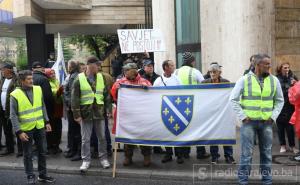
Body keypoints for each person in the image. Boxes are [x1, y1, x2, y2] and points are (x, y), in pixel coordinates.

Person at [230, 54, 284, 185]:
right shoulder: (244, 80)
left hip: (266, 123)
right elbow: (233, 99)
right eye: (266, 64)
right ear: (257, 65)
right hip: (249, 124)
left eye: (269, 64)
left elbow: (280, 100)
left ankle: (267, 180)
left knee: (266, 153)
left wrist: (273, 116)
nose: (269, 66)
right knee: (246, 154)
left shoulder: (274, 80)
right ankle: (243, 181)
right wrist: (242, 116)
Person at [10, 70, 55, 184]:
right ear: (22, 81)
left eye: (32, 78)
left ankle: (43, 175)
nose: (31, 81)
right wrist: (19, 131)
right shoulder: (15, 94)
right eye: (29, 79)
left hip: (39, 126)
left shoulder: (38, 89)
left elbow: (42, 106)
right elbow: (13, 115)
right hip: (25, 129)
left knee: (42, 151)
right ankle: (30, 175)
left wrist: (47, 122)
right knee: (28, 154)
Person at [71, 56, 111, 172]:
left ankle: (103, 158)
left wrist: (108, 110)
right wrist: (76, 115)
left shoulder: (101, 77)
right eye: (96, 66)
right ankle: (86, 161)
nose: (98, 68)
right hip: (85, 113)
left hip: (99, 112)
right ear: (90, 66)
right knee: (85, 139)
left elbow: (106, 95)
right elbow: (75, 98)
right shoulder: (79, 78)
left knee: (102, 137)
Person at [111, 63, 152, 167]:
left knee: (143, 136)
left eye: (127, 70)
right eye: (124, 70)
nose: (124, 72)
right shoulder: (120, 82)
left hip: (141, 116)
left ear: (134, 70)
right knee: (128, 137)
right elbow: (113, 96)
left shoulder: (144, 82)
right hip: (127, 116)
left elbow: (153, 96)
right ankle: (128, 157)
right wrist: (117, 89)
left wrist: (147, 89)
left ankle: (147, 156)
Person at [174, 52, 208, 159]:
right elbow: (204, 85)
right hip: (194, 103)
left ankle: (184, 153)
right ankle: (200, 152)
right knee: (198, 128)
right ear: (192, 61)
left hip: (179, 104)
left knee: (184, 129)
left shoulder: (176, 72)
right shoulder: (195, 71)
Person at [202, 63, 235, 164]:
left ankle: (229, 156)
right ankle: (214, 156)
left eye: (214, 72)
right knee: (214, 135)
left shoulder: (226, 82)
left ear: (219, 72)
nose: (212, 74)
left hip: (224, 112)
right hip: (211, 113)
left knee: (226, 134)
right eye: (210, 72)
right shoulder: (204, 83)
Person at [153, 60, 185, 164]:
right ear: (166, 67)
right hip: (164, 110)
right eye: (171, 65)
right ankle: (168, 153)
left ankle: (179, 154)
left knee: (177, 132)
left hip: (176, 110)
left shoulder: (177, 79)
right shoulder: (158, 81)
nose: (174, 66)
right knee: (166, 132)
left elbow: (182, 93)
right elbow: (153, 95)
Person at [0, 62, 22, 157]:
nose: (1, 71)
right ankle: (10, 149)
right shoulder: (3, 79)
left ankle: (21, 150)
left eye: (2, 69)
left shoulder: (16, 79)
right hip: (3, 109)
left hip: (13, 110)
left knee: (18, 130)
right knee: (7, 130)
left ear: (9, 70)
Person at [275, 62, 298, 154]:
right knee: (280, 127)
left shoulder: (293, 77)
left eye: (288, 67)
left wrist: (295, 84)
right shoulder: (276, 79)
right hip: (279, 106)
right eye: (285, 68)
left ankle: (292, 146)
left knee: (290, 127)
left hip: (290, 106)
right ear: (280, 69)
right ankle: (282, 145)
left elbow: (298, 90)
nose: (287, 69)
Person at [63, 61, 82, 161]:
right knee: (73, 131)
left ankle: (77, 152)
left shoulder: (74, 76)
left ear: (71, 67)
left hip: (74, 108)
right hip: (73, 107)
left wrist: (69, 105)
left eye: (68, 66)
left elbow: (72, 94)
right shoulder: (73, 75)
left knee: (76, 132)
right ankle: (73, 151)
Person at [44, 68, 63, 154]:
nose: (53, 75)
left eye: (54, 73)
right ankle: (51, 146)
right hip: (52, 109)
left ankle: (56, 145)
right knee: (52, 128)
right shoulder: (47, 83)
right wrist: (60, 90)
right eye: (51, 74)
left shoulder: (56, 81)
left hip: (58, 108)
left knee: (58, 128)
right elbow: (54, 93)